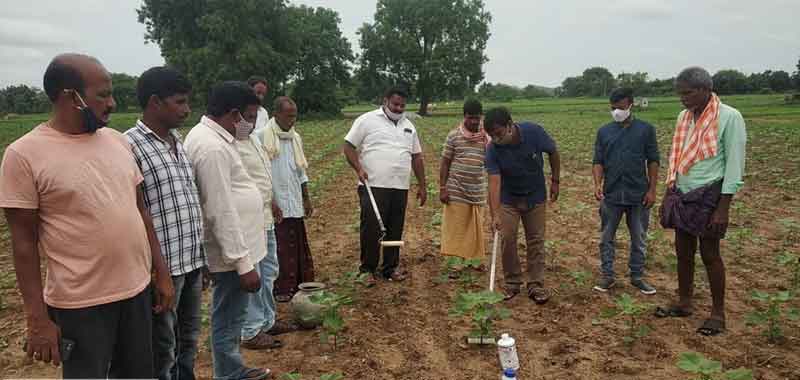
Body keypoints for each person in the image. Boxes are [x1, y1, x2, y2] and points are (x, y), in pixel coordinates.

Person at [0, 53, 174, 378]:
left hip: (136, 291)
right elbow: (23, 244)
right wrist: (36, 317)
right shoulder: (24, 155)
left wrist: (160, 273)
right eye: (103, 94)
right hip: (80, 304)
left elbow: (140, 210)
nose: (112, 102)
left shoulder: (116, 141)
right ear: (70, 96)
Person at [184, 81, 271, 380]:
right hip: (233, 256)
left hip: (239, 250)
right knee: (229, 319)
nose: (250, 124)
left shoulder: (218, 139)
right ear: (234, 114)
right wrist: (243, 264)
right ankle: (229, 374)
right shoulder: (210, 148)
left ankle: (232, 368)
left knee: (233, 317)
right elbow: (219, 210)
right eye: (249, 116)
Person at [124, 66, 204, 380]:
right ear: (155, 102)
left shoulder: (177, 141)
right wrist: (160, 274)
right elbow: (136, 212)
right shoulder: (129, 146)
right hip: (163, 269)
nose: (187, 110)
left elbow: (187, 200)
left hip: (191, 261)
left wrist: (202, 259)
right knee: (162, 348)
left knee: (189, 340)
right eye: (180, 102)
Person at [655, 67, 747, 337]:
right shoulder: (684, 117)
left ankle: (718, 314)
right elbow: (678, 156)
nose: (683, 99)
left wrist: (723, 207)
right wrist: (668, 192)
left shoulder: (729, 117)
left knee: (710, 254)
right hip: (683, 192)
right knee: (683, 252)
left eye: (688, 93)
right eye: (680, 94)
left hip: (710, 195)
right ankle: (684, 303)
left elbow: (734, 164)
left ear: (706, 90)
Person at [343, 87, 427, 285]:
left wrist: (422, 185)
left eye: (402, 105)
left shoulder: (409, 126)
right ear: (385, 101)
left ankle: (390, 268)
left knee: (395, 228)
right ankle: (367, 270)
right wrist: (358, 169)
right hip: (374, 186)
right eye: (395, 104)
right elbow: (348, 146)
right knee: (371, 228)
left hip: (400, 187)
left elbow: (416, 157)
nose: (398, 108)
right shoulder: (367, 120)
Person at [235, 97, 296, 351]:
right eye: (246, 117)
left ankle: (267, 321)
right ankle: (250, 331)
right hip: (248, 222)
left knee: (269, 271)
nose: (250, 122)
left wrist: (273, 202)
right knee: (254, 275)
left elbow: (262, 176)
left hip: (266, 216)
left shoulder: (253, 141)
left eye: (253, 117)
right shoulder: (229, 145)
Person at [484, 107, 560, 304]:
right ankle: (512, 283)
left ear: (510, 126)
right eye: (491, 135)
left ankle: (536, 284)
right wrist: (495, 215)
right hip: (508, 199)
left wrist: (555, 181)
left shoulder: (534, 132)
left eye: (498, 133)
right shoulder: (492, 149)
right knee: (507, 237)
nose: (496, 139)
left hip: (535, 196)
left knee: (535, 239)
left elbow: (553, 152)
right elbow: (494, 182)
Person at [592, 87, 660, 295]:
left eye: (620, 107)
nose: (616, 112)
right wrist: (597, 184)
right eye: (613, 108)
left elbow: (654, 160)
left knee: (639, 238)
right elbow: (598, 161)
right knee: (606, 237)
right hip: (611, 194)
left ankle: (637, 276)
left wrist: (652, 190)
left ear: (630, 104)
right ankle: (607, 276)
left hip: (638, 194)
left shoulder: (645, 130)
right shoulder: (604, 131)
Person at [258, 96, 315, 301]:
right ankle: (281, 288)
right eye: (289, 116)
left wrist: (306, 197)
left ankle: (298, 284)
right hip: (274, 201)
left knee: (296, 242)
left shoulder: (295, 137)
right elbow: (259, 173)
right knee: (279, 247)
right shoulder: (261, 137)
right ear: (276, 114)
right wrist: (269, 200)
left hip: (294, 199)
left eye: (295, 116)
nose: (293, 120)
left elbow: (301, 172)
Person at [439, 99, 488, 261]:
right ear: (464, 116)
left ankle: (474, 261)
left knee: (475, 228)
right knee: (456, 229)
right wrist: (443, 188)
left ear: (481, 117)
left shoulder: (487, 138)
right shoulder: (454, 136)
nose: (474, 121)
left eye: (477, 118)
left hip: (477, 189)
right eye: (470, 117)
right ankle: (455, 264)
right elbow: (445, 162)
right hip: (456, 190)